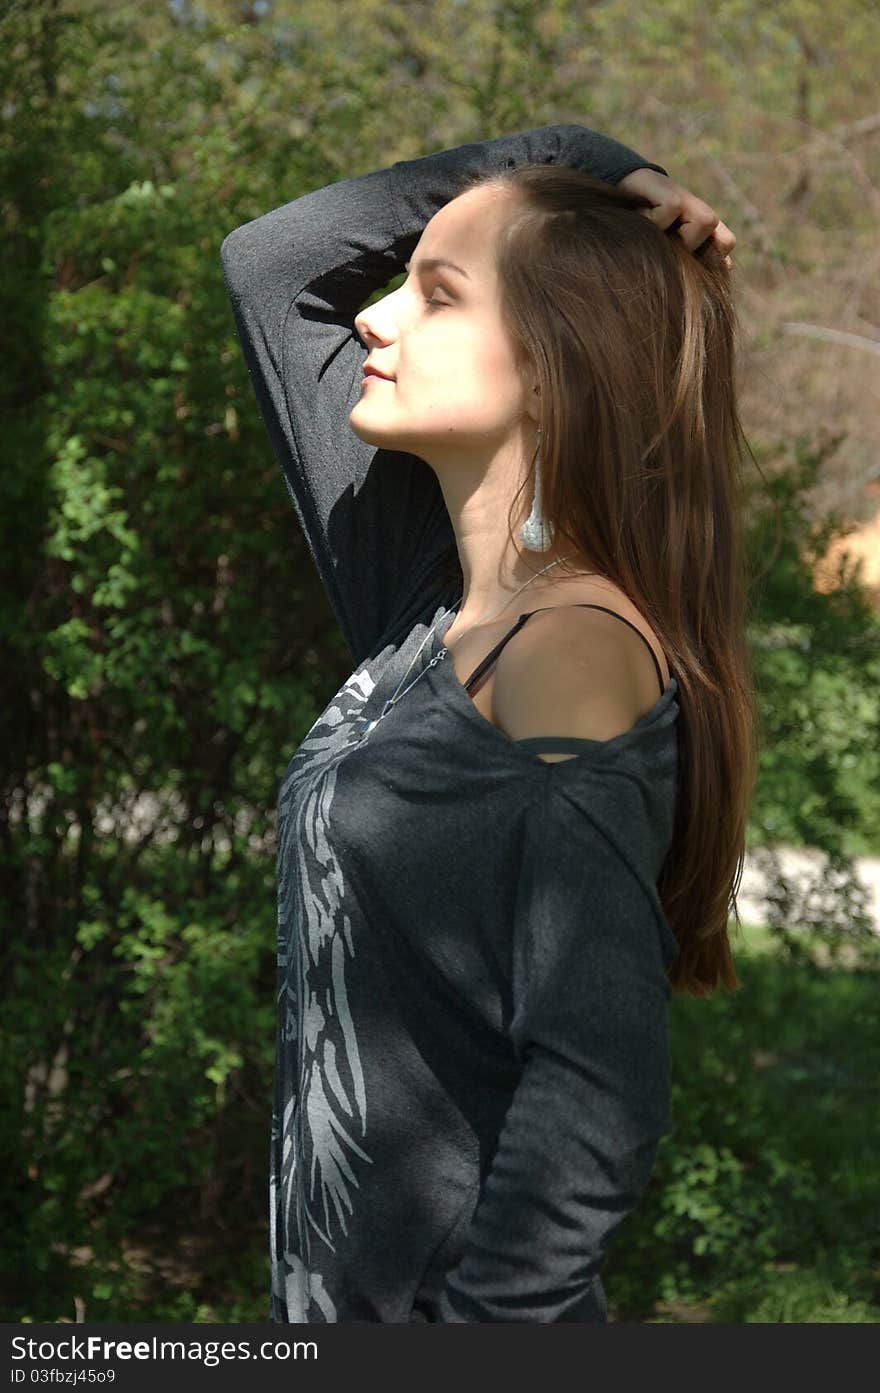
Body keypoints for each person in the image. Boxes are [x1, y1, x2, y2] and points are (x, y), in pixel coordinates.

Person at [219, 123, 755, 1323]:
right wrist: (574, 154)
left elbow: (600, 1083)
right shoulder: (431, 601)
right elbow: (269, 264)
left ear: (562, 362)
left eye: (436, 295)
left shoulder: (565, 651)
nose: (376, 318)